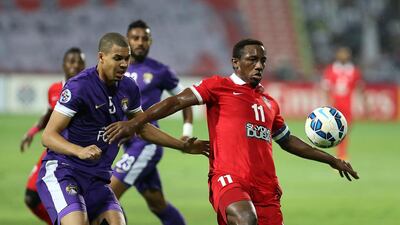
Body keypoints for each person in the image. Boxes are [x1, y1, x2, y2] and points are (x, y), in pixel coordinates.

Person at [104, 39, 360, 225]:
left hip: (266, 189)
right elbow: (176, 102)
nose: (259, 65)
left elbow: (289, 142)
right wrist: (135, 123)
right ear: (236, 63)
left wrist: (332, 160)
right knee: (245, 219)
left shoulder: (270, 103)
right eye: (252, 60)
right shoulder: (218, 86)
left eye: (262, 61)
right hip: (228, 179)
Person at [36, 32, 208, 225]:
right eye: (118, 58)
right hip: (65, 171)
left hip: (98, 178)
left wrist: (182, 145)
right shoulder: (79, 86)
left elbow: (143, 128)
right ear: (101, 57)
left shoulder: (129, 88)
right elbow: (49, 136)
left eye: (127, 58)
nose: (124, 64)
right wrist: (80, 150)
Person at [110, 20, 193, 225]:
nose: (140, 42)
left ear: (150, 42)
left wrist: (187, 131)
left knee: (107, 195)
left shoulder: (160, 71)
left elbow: (185, 100)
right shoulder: (117, 69)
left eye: (144, 38)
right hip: (127, 144)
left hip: (146, 143)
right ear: (127, 40)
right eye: (135, 38)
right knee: (157, 203)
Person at [19, 47, 86, 225]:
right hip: (54, 149)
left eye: (80, 62)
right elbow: (48, 116)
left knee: (85, 202)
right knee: (31, 198)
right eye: (72, 62)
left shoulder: (89, 90)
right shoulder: (54, 89)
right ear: (63, 65)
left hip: (77, 155)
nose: (76, 66)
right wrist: (31, 132)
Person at [322, 46, 364, 160]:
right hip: (335, 105)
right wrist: (327, 104)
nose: (343, 56)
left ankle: (340, 153)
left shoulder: (354, 71)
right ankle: (341, 155)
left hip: (348, 106)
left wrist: (364, 104)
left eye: (345, 53)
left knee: (345, 131)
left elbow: (360, 88)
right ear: (337, 55)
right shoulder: (331, 70)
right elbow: (326, 88)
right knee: (339, 130)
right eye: (341, 53)